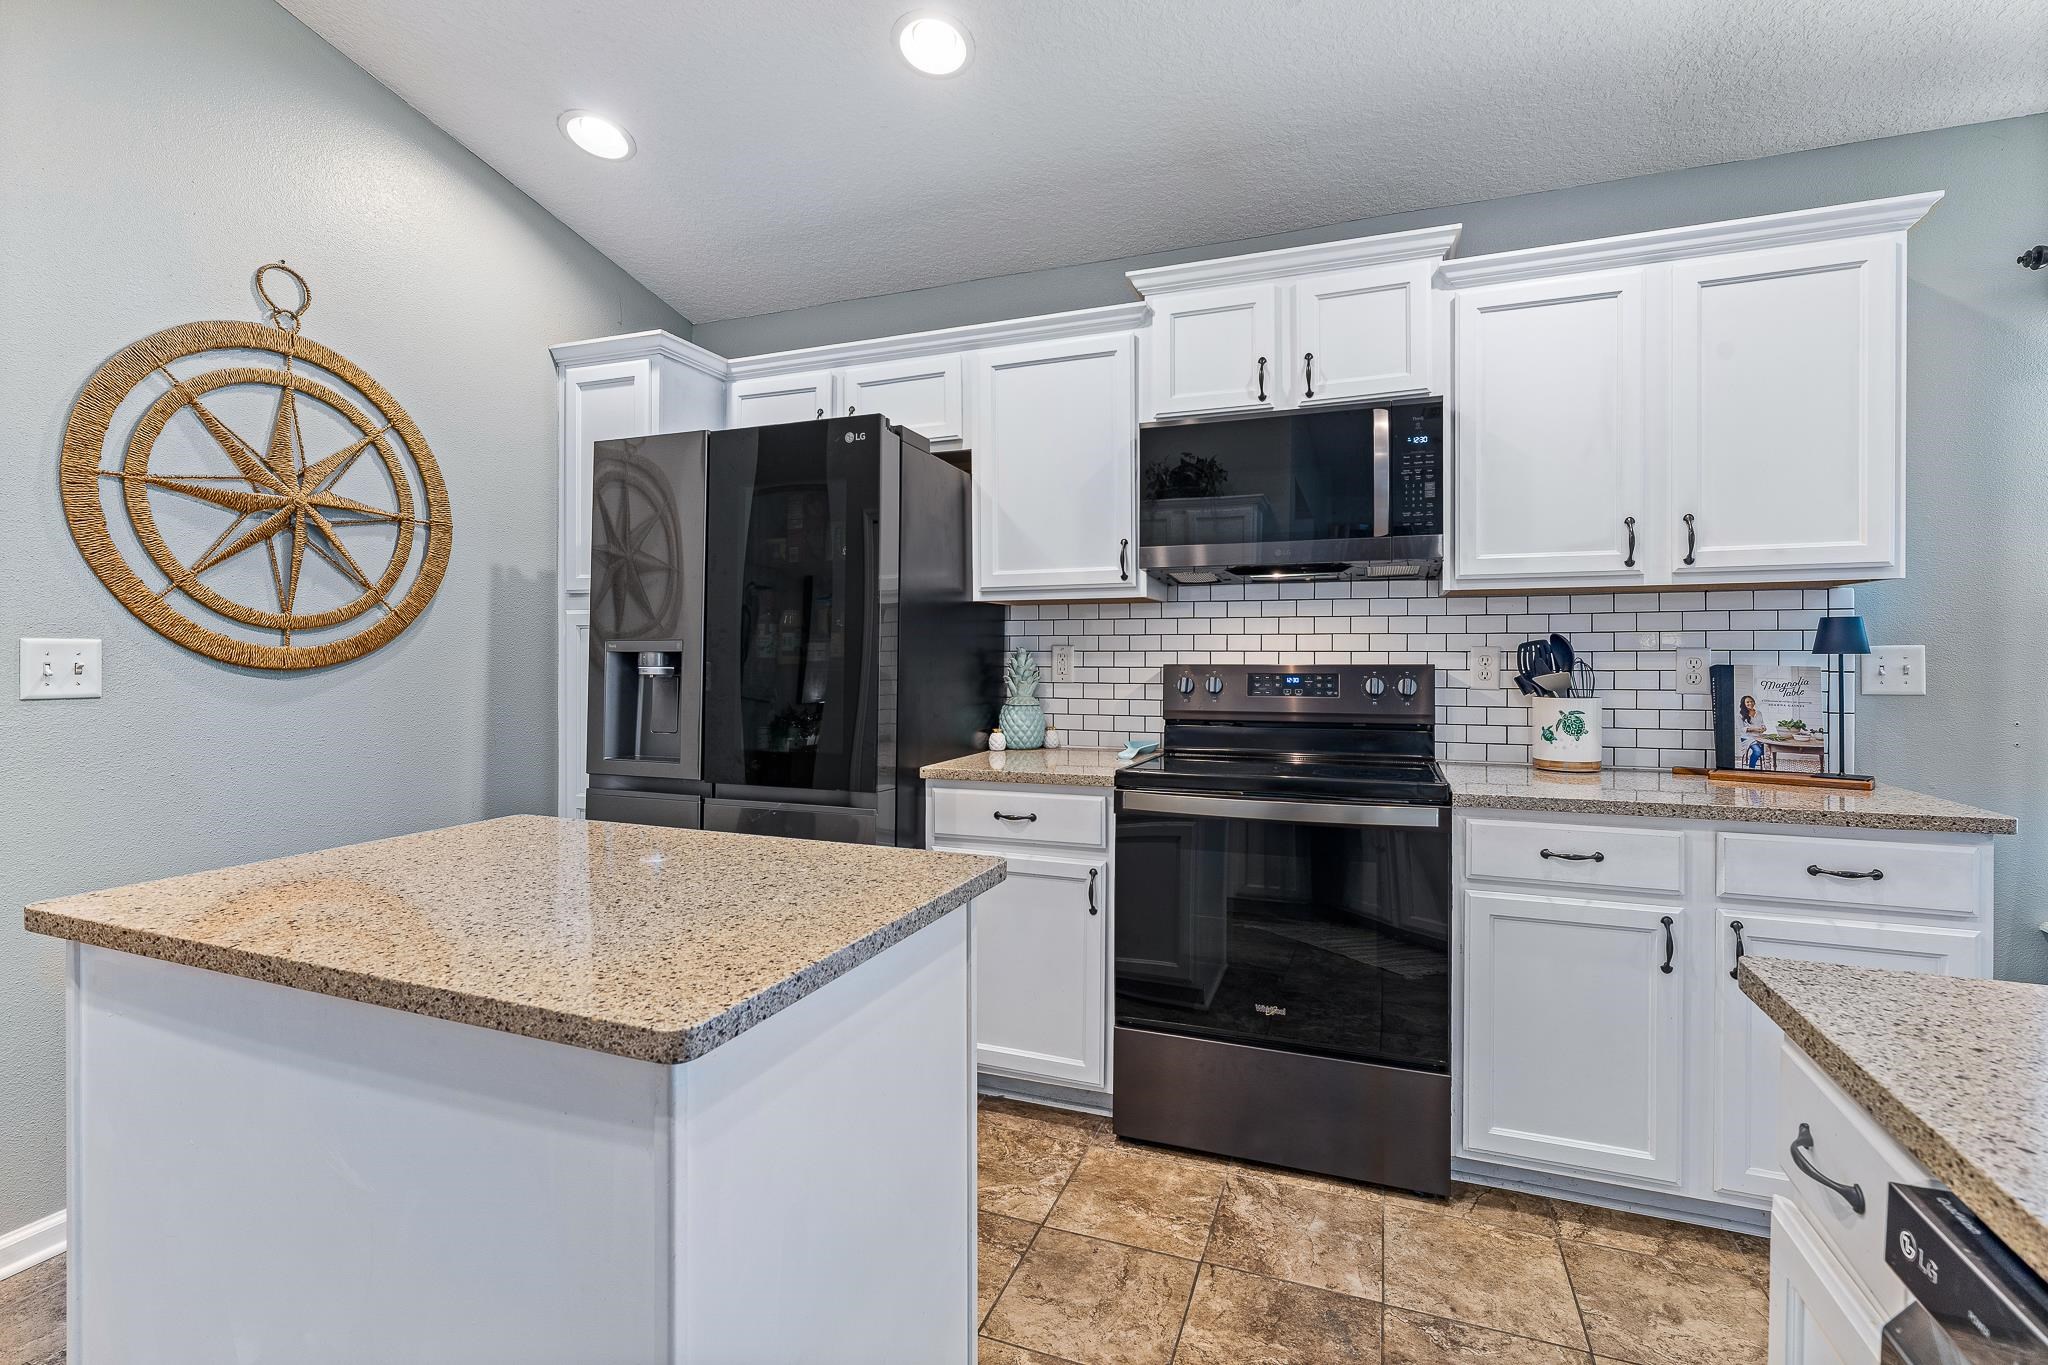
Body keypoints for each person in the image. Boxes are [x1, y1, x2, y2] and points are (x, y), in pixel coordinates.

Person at [1739, 694, 1767, 769]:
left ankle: (1755, 759)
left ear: (1754, 702)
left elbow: (1762, 724)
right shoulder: (1740, 715)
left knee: (1766, 750)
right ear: (1744, 704)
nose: (1750, 703)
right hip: (1747, 738)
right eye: (1747, 702)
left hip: (1758, 736)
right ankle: (1751, 768)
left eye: (1751, 701)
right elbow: (1741, 729)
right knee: (1758, 751)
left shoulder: (1759, 713)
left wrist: (1763, 728)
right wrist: (1754, 729)